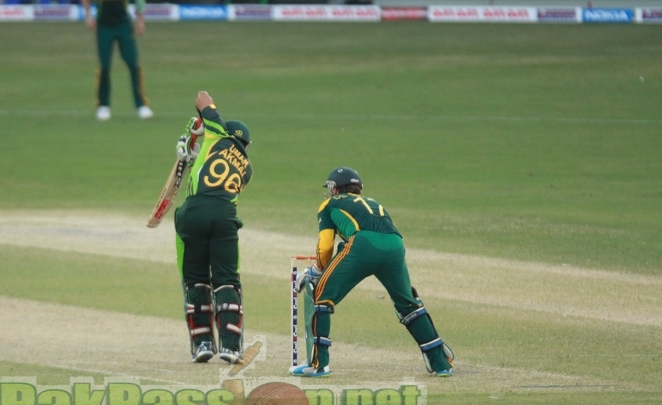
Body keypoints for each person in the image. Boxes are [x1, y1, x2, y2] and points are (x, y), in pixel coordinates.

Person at [292, 167, 455, 378]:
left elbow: (325, 247)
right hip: (395, 246)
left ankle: (318, 364)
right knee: (407, 304)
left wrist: (316, 271)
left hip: (363, 245)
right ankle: (441, 363)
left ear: (334, 187)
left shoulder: (329, 204)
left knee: (322, 296)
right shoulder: (373, 202)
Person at [174, 91, 253, 364]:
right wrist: (198, 147)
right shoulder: (247, 167)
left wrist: (199, 125)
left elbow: (202, 97)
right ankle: (231, 347)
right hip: (224, 216)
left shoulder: (217, 134)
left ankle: (203, 344)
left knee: (195, 279)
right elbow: (212, 171)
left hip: (193, 212)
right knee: (227, 280)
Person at [81, 0, 152, 121]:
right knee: (104, 67)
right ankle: (103, 105)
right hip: (104, 26)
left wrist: (140, 20)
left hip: (123, 26)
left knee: (133, 65)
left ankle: (141, 105)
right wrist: (88, 15)